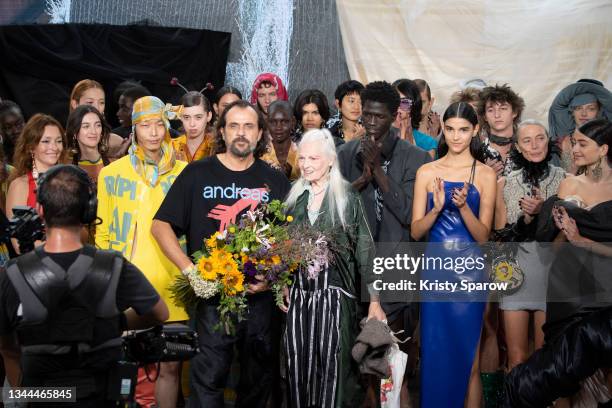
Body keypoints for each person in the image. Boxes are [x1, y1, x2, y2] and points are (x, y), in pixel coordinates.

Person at [151, 99, 291, 408]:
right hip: (213, 298)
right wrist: (192, 271)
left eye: (249, 126)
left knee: (257, 384)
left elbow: (290, 240)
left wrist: (274, 279)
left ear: (259, 135)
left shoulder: (276, 180)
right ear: (223, 133)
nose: (241, 133)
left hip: (260, 300)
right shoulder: (197, 174)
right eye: (234, 126)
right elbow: (160, 227)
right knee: (207, 383)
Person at [0, 164, 168, 407]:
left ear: (40, 209)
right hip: (102, 396)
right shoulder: (115, 266)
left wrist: (22, 396)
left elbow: (8, 349)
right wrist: (114, 323)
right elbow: (159, 313)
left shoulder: (12, 275)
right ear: (89, 210)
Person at [505, 119, 612, 407]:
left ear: (603, 149)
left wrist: (583, 241)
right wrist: (562, 233)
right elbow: (551, 248)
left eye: (581, 144)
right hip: (568, 291)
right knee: (564, 375)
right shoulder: (569, 183)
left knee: (605, 374)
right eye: (573, 143)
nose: (573, 149)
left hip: (605, 292)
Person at [337, 80, 431, 406]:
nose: (371, 123)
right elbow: (338, 213)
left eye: (379, 117)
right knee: (362, 358)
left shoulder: (416, 157)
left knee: (394, 362)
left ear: (394, 116)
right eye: (366, 116)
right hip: (355, 267)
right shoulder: (346, 154)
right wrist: (360, 178)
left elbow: (407, 212)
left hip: (396, 268)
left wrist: (377, 169)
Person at [282, 128, 385, 407]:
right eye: (302, 158)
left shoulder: (346, 198)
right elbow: (279, 250)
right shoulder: (293, 200)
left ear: (330, 160)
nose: (306, 164)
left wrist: (375, 301)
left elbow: (366, 250)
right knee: (297, 370)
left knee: (333, 373)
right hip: (300, 303)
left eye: (313, 158)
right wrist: (281, 282)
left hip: (335, 302)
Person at [96, 96, 187, 408]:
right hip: (129, 284)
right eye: (145, 125)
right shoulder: (111, 174)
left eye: (158, 124)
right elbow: (103, 232)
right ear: (133, 129)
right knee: (128, 364)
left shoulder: (184, 173)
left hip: (174, 282)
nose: (153, 132)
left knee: (171, 365)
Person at [411, 102, 496, 407]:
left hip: (471, 273)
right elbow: (416, 231)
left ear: (475, 131)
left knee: (469, 362)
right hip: (436, 271)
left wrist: (462, 208)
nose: (456, 136)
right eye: (450, 129)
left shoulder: (485, 175)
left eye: (463, 130)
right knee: (435, 356)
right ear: (442, 129)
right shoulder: (427, 171)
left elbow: (484, 236)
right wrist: (436, 208)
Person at [494, 120, 566, 371]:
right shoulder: (505, 184)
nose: (535, 145)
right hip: (516, 275)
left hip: (551, 275)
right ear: (517, 147)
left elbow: (566, 233)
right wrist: (526, 219)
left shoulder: (565, 181)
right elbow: (499, 236)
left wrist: (542, 210)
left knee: (545, 357)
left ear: (549, 141)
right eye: (527, 140)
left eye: (540, 138)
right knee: (516, 358)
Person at [6, 114, 68, 252]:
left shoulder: (70, 181)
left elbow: (82, 232)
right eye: (46, 141)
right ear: (31, 147)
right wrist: (61, 247)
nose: (54, 147)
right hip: (34, 266)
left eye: (58, 141)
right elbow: (18, 244)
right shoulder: (19, 186)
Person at [548, 80, 612, 174]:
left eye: (591, 108)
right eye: (578, 108)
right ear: (572, 112)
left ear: (599, 112)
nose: (584, 114)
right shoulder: (562, 141)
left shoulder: (607, 141)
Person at [69, 79, 131, 158]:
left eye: (101, 103)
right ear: (75, 104)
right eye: (90, 102)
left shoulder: (115, 142)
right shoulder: (61, 141)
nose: (97, 108)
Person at [477, 84, 525, 178]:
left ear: (514, 112)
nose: (497, 115)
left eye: (503, 108)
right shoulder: (476, 152)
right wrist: (483, 177)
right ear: (485, 116)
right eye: (491, 110)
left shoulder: (527, 148)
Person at [392, 79, 437, 157]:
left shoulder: (427, 143)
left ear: (414, 106)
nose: (398, 108)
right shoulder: (379, 137)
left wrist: (405, 137)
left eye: (405, 103)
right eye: (394, 101)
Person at [172, 91, 215, 163]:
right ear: (180, 117)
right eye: (186, 117)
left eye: (198, 117)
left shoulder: (217, 148)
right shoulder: (171, 147)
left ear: (209, 116)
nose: (192, 124)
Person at [264, 100, 300, 180]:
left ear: (293, 122)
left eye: (284, 122)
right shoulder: (261, 155)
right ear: (267, 123)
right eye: (273, 122)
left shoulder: (303, 154)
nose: (278, 128)